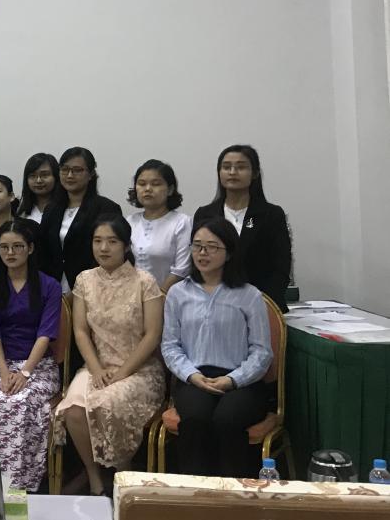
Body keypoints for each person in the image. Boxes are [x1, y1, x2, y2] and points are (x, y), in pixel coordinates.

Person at [53, 216, 165, 495]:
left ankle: (122, 473)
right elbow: (80, 331)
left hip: (139, 370)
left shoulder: (145, 281)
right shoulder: (85, 280)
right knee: (73, 410)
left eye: (112, 241)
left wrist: (123, 372)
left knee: (108, 402)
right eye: (98, 241)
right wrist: (96, 368)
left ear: (126, 246)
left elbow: (152, 335)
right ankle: (95, 479)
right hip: (97, 366)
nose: (103, 248)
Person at [161, 219, 273, 478]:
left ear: (229, 252)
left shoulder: (249, 295)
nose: (203, 253)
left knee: (227, 419)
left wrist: (232, 380)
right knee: (196, 418)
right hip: (194, 378)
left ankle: (233, 490)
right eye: (197, 246)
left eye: (212, 247)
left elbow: (262, 351)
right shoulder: (178, 293)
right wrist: (192, 375)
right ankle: (195, 489)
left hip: (242, 382)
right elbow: (170, 346)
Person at [0, 220, 62, 491]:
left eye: (17, 246)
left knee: (23, 401)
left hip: (40, 365)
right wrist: (4, 373)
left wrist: (25, 373)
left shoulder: (49, 286)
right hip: (3, 364)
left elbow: (45, 334)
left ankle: (24, 486)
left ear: (31, 248)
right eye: (4, 247)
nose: (10, 253)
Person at [192, 145, 292, 311]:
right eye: (226, 167)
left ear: (255, 173)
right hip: (214, 305)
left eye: (241, 167)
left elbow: (281, 266)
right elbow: (198, 262)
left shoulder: (272, 214)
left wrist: (263, 303)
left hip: (263, 303)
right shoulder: (205, 214)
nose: (232, 172)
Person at [39, 147, 122, 290]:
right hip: (53, 287)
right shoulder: (51, 209)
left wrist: (81, 288)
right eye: (65, 169)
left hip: (93, 287)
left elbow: (109, 254)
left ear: (91, 174)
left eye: (77, 170)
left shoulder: (106, 208)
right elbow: (43, 250)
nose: (69, 175)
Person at [126, 160, 191, 292]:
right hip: (129, 296)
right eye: (141, 184)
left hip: (168, 297)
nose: (147, 189)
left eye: (155, 184)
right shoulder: (130, 221)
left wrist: (158, 296)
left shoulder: (181, 222)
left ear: (170, 189)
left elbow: (182, 269)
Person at [17, 153, 59, 223]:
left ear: (56, 176)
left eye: (44, 175)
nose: (38, 180)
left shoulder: (66, 208)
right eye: (32, 176)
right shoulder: (21, 212)